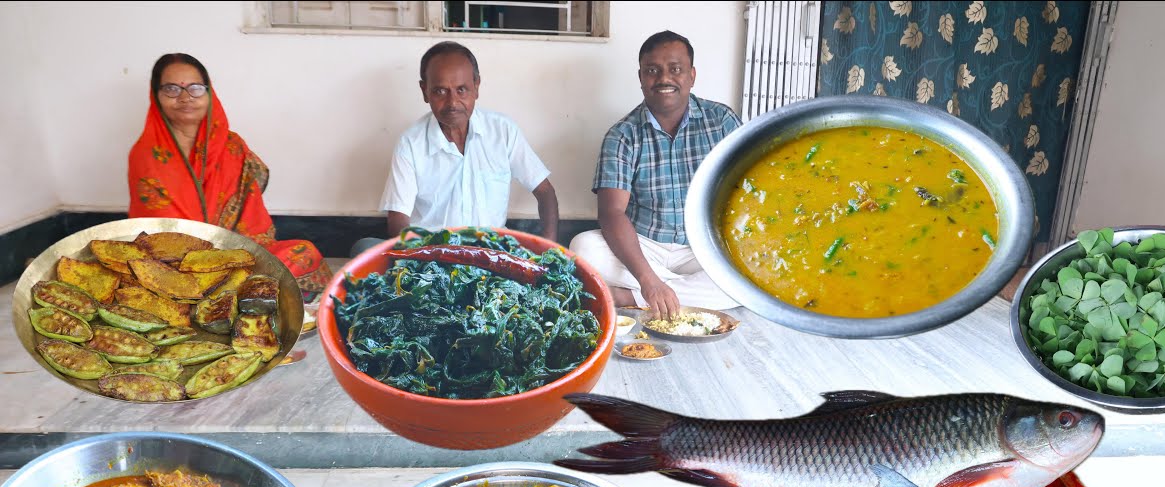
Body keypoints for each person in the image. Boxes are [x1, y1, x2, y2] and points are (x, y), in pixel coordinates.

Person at [127, 53, 333, 299]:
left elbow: (252, 220)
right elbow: (160, 231)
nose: (185, 97)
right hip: (174, 264)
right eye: (172, 89)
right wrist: (206, 261)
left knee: (303, 252)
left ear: (208, 92)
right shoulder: (147, 155)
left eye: (195, 88)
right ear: (156, 95)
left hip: (236, 253)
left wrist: (230, 257)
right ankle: (241, 295)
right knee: (145, 281)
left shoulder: (231, 145)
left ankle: (233, 294)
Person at [569, 30, 741, 318]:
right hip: (644, 246)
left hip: (704, 248)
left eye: (675, 69)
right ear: (641, 77)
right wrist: (649, 280)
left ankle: (627, 298)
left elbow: (747, 190)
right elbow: (612, 213)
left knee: (746, 275)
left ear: (692, 75)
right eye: (653, 70)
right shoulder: (622, 135)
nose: (664, 79)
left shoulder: (722, 122)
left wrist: (647, 287)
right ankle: (676, 293)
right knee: (582, 248)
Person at [363, 41, 558, 253]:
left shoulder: (502, 131)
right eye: (439, 91)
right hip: (435, 258)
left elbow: (545, 192)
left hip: (494, 255)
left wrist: (549, 250)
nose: (452, 103)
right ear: (424, 91)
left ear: (476, 87)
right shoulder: (411, 143)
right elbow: (398, 218)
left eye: (461, 90)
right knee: (363, 248)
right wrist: (420, 262)